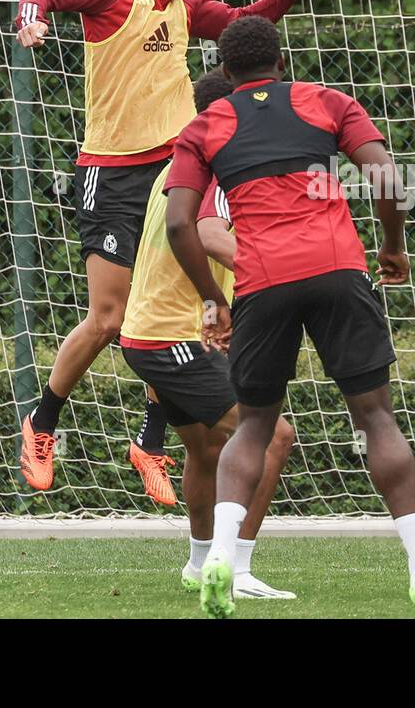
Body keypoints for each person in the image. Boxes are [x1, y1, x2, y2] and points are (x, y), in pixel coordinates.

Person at [12, 0, 332, 490]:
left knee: (177, 314)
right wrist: (30, 20)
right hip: (110, 175)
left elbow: (244, 26)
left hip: (175, 172)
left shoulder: (188, 7)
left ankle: (151, 439)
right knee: (109, 317)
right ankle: (42, 418)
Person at [164, 16, 415, 618]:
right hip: (339, 271)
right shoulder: (327, 100)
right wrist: (392, 247)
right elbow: (388, 179)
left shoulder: (204, 125)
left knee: (254, 427)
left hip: (263, 282)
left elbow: (178, 224)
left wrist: (213, 298)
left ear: (226, 71)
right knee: (375, 416)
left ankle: (219, 556)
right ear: (281, 61)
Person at [119, 69, 296, 600]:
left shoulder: (182, 161)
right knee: (274, 437)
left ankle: (199, 565)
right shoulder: (216, 160)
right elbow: (211, 234)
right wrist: (276, 272)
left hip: (152, 332)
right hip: (171, 339)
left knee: (206, 449)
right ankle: (236, 568)